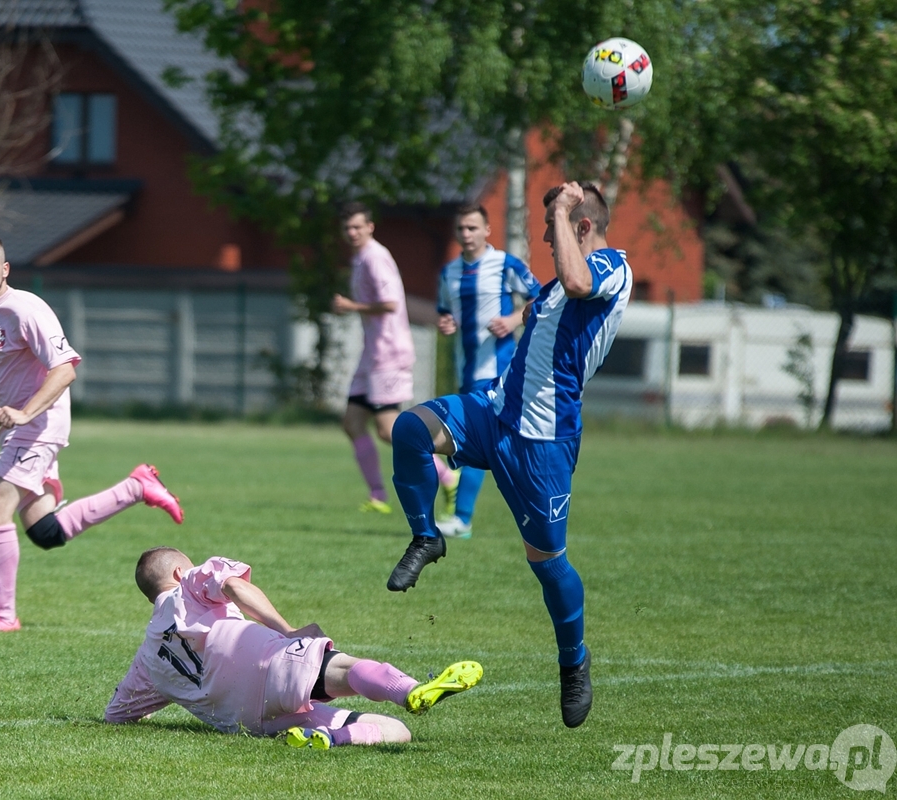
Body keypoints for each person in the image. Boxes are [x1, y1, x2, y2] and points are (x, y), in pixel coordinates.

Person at [384, 182, 632, 729]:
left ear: (582, 226)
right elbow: (545, 309)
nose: (546, 236)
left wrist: (565, 209)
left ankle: (574, 662)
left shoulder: (613, 266)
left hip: (543, 440)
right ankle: (427, 535)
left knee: (546, 563)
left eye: (555, 227)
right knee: (409, 428)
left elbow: (575, 279)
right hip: (494, 409)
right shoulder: (554, 286)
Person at [0, 233, 184, 632]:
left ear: (5, 268)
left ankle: (4, 615)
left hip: (39, 425)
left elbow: (65, 369)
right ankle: (136, 487)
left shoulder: (26, 309)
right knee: (44, 531)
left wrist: (26, 414)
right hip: (16, 430)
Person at [104, 547, 483, 748]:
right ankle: (410, 689)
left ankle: (327, 739)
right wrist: (289, 630)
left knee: (396, 731)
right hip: (271, 666)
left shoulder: (147, 662)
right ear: (177, 573)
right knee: (346, 669)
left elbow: (117, 714)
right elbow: (234, 585)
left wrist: (146, 711)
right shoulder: (189, 583)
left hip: (254, 722)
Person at [333, 202, 454, 513]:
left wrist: (350, 306)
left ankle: (446, 475)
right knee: (352, 422)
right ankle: (378, 496)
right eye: (348, 228)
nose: (352, 232)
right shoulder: (360, 258)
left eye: (358, 226)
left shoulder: (375, 257)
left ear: (371, 227)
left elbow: (389, 304)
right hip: (371, 353)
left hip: (389, 351)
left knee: (389, 430)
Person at [434, 203, 541, 539]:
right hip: (466, 370)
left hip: (498, 370)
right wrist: (446, 323)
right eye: (461, 229)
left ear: (487, 230)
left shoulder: (505, 264)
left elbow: (541, 300)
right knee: (502, 446)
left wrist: (512, 320)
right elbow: (444, 312)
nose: (466, 234)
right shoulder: (448, 272)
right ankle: (535, 509)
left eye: (473, 228)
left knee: (471, 440)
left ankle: (462, 518)